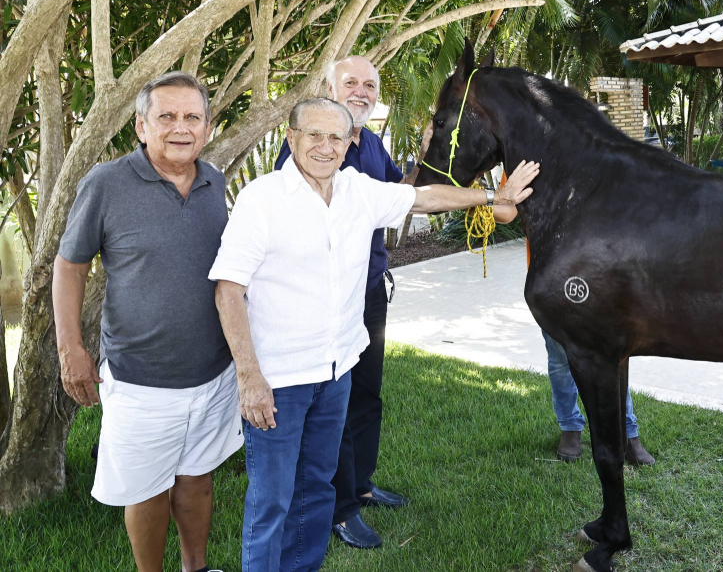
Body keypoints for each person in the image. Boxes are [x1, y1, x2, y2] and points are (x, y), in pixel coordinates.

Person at [211, 97, 539, 572]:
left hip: (338, 368)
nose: (325, 147)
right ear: (291, 138)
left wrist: (494, 197)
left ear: (349, 143)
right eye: (314, 135)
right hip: (278, 378)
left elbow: (424, 197)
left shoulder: (358, 191)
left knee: (318, 488)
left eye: (335, 137)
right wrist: (249, 377)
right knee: (272, 501)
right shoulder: (262, 200)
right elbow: (228, 291)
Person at [54, 72, 239, 572]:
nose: (181, 128)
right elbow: (69, 266)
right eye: (167, 116)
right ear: (141, 126)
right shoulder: (106, 183)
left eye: (192, 117)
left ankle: (195, 568)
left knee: (197, 479)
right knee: (148, 491)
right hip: (140, 378)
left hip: (212, 374)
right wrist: (71, 347)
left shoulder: (213, 180)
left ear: (206, 126)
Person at [273, 56, 428, 549]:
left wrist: (423, 156)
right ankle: (339, 509)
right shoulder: (307, 149)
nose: (361, 91)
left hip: (370, 289)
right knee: (333, 405)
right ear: (329, 88)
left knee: (367, 392)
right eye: (350, 83)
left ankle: (361, 483)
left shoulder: (373, 143)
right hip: (325, 300)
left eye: (369, 85)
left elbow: (401, 195)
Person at [493, 189, 654, 466]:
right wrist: (492, 197)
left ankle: (627, 433)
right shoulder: (524, 160)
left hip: (597, 274)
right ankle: (570, 427)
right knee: (558, 357)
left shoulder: (588, 149)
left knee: (612, 356)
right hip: (550, 277)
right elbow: (505, 213)